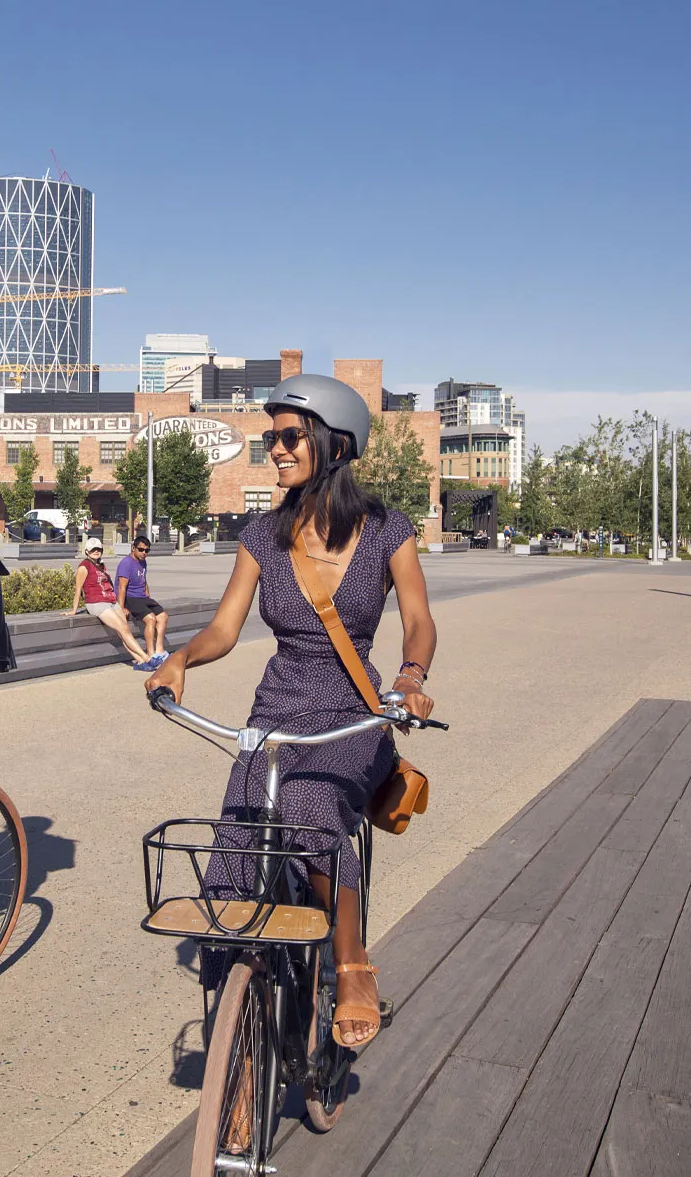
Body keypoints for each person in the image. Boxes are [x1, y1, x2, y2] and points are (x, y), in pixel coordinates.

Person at [146, 373, 436, 1049]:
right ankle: (240, 1049)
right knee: (239, 841)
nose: (273, 449)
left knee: (307, 809)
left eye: (287, 436)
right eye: (269, 437)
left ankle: (351, 960)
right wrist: (181, 659)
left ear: (332, 444)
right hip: (277, 708)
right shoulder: (261, 535)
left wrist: (412, 678)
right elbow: (224, 628)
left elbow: (420, 618)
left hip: (354, 713)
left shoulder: (387, 529)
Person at [71, 537, 157, 669]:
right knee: (123, 629)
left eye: (98, 549)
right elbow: (78, 590)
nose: (96, 551)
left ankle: (140, 661)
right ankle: (146, 658)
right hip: (97, 603)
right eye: (93, 549)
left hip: (110, 601)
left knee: (124, 630)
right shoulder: (84, 566)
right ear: (87, 551)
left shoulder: (101, 565)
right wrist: (74, 610)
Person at [116, 536, 169, 664]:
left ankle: (159, 650)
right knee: (150, 619)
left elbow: (144, 581)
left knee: (163, 616)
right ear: (133, 548)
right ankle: (151, 654)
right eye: (141, 550)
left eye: (147, 551)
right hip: (131, 597)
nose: (144, 553)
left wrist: (148, 598)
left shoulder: (142, 561)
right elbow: (122, 587)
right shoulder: (126, 563)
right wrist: (121, 607)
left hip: (142, 597)